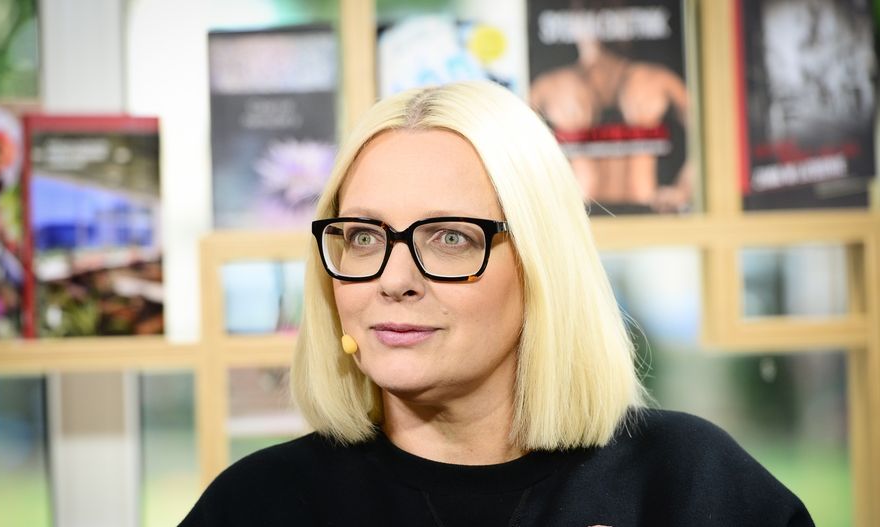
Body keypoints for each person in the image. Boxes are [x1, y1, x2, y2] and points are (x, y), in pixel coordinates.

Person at [180, 81, 812, 526]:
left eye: (450, 237)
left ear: (540, 264)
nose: (393, 279)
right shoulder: (258, 505)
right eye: (365, 237)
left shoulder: (690, 487)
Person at [530, 38, 694, 213]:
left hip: (645, 211)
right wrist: (547, 199)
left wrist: (683, 190)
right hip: (581, 213)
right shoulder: (550, 86)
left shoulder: (657, 79)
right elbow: (513, 152)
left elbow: (709, 136)